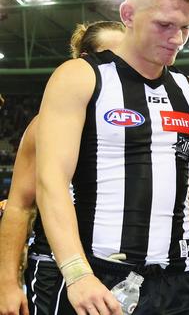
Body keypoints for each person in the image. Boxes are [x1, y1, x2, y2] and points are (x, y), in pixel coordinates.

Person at [35, 0, 189, 315]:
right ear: (128, 15)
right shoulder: (80, 77)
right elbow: (51, 181)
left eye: (186, 27)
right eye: (164, 25)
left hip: (178, 283)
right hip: (99, 277)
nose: (177, 39)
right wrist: (76, 273)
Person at [0, 21, 124, 315]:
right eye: (111, 57)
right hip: (58, 271)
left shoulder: (146, 123)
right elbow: (20, 205)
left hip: (130, 270)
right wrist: (7, 283)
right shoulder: (46, 125)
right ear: (83, 62)